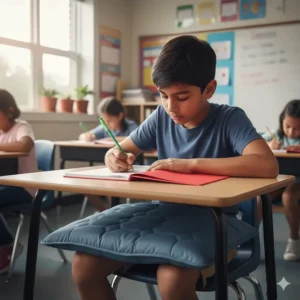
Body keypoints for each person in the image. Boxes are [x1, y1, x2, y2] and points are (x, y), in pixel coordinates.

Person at [72, 36, 278, 300]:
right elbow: (119, 149)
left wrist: (191, 165)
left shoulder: (229, 118)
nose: (171, 107)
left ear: (209, 89)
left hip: (213, 222)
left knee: (171, 277)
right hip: (161, 217)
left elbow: (266, 164)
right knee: (84, 266)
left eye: (182, 97)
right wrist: (114, 156)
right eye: (163, 95)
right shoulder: (160, 116)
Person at [0, 89, 38, 274]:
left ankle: (7, 245)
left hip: (25, 187)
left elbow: (24, 145)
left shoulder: (22, 126)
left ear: (9, 111)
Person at [79, 97, 138, 212]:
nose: (106, 124)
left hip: (127, 167)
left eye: (109, 121)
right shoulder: (105, 127)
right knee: (83, 184)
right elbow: (83, 135)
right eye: (104, 121)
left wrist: (115, 139)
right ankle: (104, 211)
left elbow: (136, 139)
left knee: (110, 184)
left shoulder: (131, 126)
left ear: (120, 116)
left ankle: (112, 210)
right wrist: (87, 136)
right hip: (109, 166)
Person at [260, 99, 300, 261]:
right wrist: (268, 144)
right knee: (260, 197)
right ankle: (247, 242)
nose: (291, 132)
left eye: (298, 128)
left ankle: (294, 239)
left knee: (289, 196)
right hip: (280, 179)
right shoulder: (276, 136)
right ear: (282, 120)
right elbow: (254, 145)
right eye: (288, 126)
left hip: (297, 181)